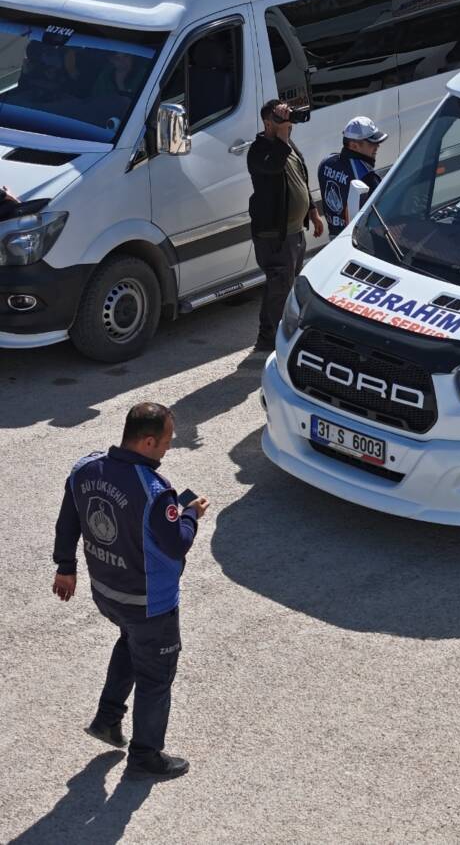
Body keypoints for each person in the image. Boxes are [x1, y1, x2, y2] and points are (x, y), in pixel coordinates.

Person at [51, 403, 210, 778]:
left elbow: (68, 518)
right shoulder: (155, 492)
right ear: (148, 440)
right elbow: (177, 544)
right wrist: (191, 513)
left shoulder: (85, 469)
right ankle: (145, 757)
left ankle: (108, 720)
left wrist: (66, 567)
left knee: (131, 642)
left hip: (107, 592)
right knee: (156, 678)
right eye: (167, 441)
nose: (169, 448)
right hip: (149, 602)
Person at [247, 99, 323, 351]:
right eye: (280, 119)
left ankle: (279, 333)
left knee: (286, 285)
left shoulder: (287, 145)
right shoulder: (259, 151)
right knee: (278, 287)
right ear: (267, 123)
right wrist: (281, 135)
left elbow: (299, 175)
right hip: (274, 236)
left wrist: (312, 211)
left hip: (294, 233)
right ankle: (268, 340)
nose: (287, 125)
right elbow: (274, 165)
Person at [317, 116, 388, 240]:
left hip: (333, 237)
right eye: (372, 142)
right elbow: (383, 218)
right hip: (356, 242)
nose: (377, 146)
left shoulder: (325, 163)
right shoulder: (367, 177)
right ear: (354, 145)